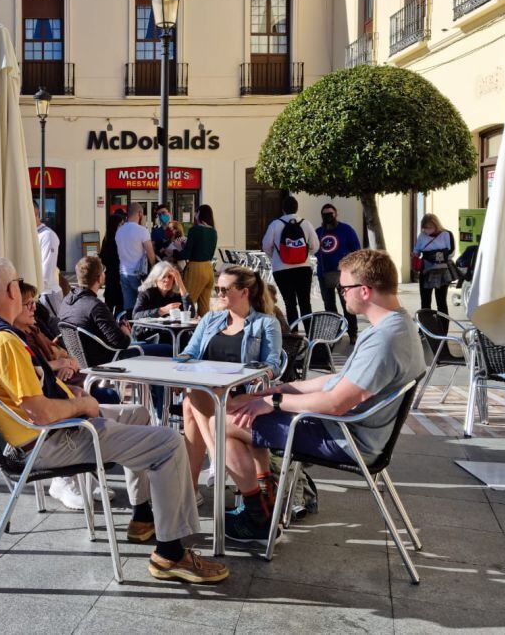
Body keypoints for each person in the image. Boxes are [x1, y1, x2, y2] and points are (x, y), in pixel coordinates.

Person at [0, 256, 230, 583]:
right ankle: (170, 554)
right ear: (12, 291)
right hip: (52, 439)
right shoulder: (4, 342)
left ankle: (142, 517)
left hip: (34, 437)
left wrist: (76, 398)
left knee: (138, 414)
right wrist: (82, 407)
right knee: (169, 443)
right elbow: (39, 412)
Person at [221, 249, 425, 542]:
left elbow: (335, 403)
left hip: (344, 438)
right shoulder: (397, 324)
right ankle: (266, 495)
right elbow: (341, 380)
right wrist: (284, 388)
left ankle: (258, 515)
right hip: (357, 433)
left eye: (344, 288)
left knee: (224, 420)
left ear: (364, 291)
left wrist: (272, 402)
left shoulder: (385, 339)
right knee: (243, 409)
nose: (341, 293)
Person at [14, 280, 119, 509]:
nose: (34, 307)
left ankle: (88, 473)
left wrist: (67, 363)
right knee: (100, 397)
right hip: (44, 405)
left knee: (102, 394)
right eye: (28, 304)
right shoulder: (14, 340)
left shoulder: (33, 329)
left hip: (62, 385)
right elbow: (34, 371)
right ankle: (65, 478)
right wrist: (59, 364)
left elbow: (63, 353)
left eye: (33, 302)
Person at [179, 266, 283, 495]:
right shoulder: (210, 320)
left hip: (243, 393)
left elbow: (273, 365)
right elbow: (190, 352)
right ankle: (214, 459)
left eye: (224, 289)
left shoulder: (266, 323)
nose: (219, 294)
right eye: (217, 289)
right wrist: (181, 364)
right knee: (192, 397)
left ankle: (192, 487)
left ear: (244, 292)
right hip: (209, 391)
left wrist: (243, 375)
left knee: (190, 403)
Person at [58, 256, 173, 364]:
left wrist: (116, 326)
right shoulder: (95, 306)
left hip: (81, 360)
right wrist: (126, 332)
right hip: (107, 359)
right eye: (103, 270)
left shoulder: (66, 301)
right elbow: (121, 343)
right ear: (100, 277)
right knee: (168, 349)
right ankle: (158, 385)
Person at [261, 196, 318, 330]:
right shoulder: (306, 223)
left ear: (283, 209)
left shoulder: (275, 224)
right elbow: (315, 246)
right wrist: (303, 255)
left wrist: (276, 256)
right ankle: (309, 333)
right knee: (305, 303)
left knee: (290, 303)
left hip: (281, 269)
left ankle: (294, 335)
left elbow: (266, 245)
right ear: (297, 208)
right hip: (303, 268)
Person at [315, 204, 361, 344]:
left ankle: (352, 332)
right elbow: (314, 248)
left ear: (336, 214)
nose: (328, 217)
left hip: (343, 275)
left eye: (331, 213)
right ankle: (335, 333)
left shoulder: (346, 230)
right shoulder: (318, 232)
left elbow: (356, 250)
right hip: (324, 273)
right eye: (325, 214)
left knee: (348, 304)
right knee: (329, 305)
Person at [175, 204, 218, 316]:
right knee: (204, 307)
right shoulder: (213, 231)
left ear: (199, 214)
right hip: (209, 268)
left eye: (196, 212)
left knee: (186, 303)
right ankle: (205, 331)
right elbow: (207, 251)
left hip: (195, 268)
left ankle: (182, 332)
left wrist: (176, 250)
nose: (194, 215)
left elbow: (186, 254)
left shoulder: (195, 230)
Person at [412, 213, 455, 321]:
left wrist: (435, 255)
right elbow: (416, 251)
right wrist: (415, 255)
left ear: (436, 225)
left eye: (430, 227)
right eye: (425, 227)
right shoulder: (421, 236)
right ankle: (426, 330)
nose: (427, 230)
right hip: (426, 271)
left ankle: (442, 331)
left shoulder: (446, 234)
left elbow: (451, 253)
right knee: (425, 302)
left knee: (441, 302)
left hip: (441, 271)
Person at [115, 203, 156, 315]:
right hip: (138, 275)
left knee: (128, 307)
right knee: (143, 306)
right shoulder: (142, 231)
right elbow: (150, 254)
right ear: (139, 213)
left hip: (123, 273)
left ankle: (129, 327)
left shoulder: (119, 231)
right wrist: (155, 271)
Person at [34, 204, 63, 316]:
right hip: (38, 294)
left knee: (53, 331)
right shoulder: (34, 235)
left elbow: (46, 273)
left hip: (47, 295)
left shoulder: (47, 236)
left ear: (35, 215)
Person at [98, 212, 126, 315]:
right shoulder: (117, 240)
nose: (122, 227)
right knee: (120, 304)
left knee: (110, 304)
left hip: (109, 276)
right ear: (116, 225)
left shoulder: (106, 239)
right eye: (121, 224)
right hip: (117, 276)